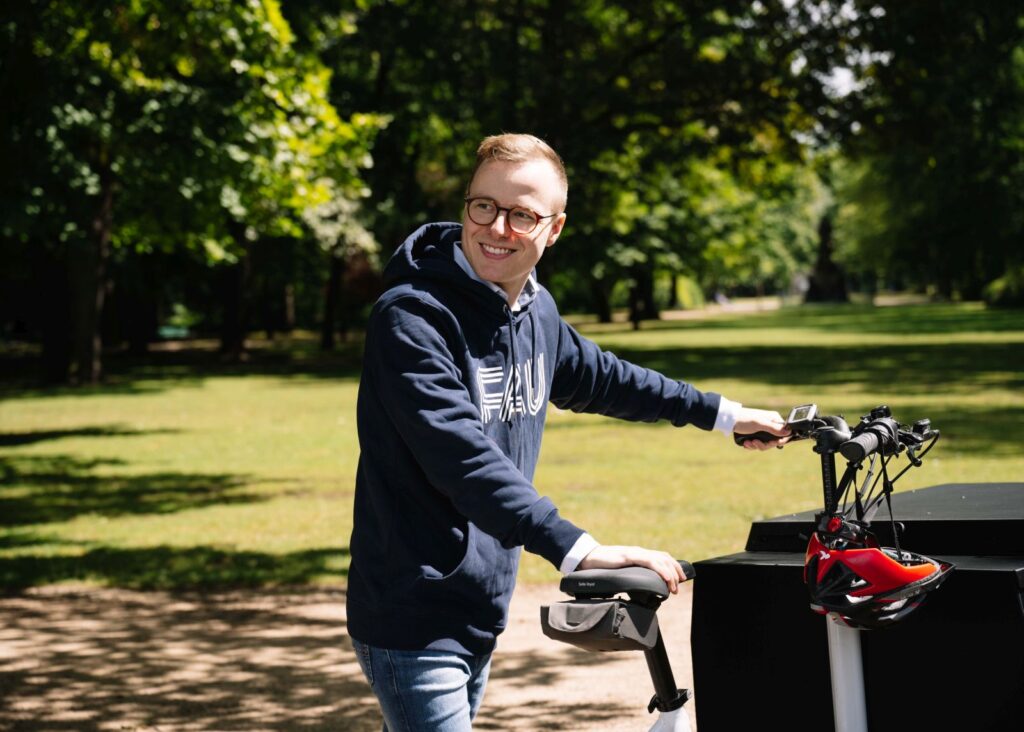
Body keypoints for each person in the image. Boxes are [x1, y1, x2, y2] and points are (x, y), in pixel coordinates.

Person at [347, 133, 789, 731]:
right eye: (484, 206)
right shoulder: (413, 317)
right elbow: (462, 458)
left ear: (553, 229)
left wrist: (726, 415)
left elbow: (607, 379)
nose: (497, 228)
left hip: (479, 598)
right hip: (411, 605)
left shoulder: (534, 310)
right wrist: (578, 549)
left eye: (522, 215)